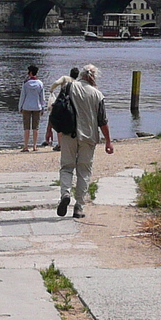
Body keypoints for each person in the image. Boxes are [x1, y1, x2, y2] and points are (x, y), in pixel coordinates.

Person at [53, 64, 113, 218]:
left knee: (66, 167)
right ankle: (79, 207)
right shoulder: (97, 95)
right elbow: (102, 121)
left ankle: (65, 193)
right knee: (84, 171)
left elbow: (57, 108)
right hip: (89, 137)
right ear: (94, 76)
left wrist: (51, 129)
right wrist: (108, 141)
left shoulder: (68, 87)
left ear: (81, 75)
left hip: (69, 134)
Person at [43, 67, 79, 149]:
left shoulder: (65, 78)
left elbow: (56, 83)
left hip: (62, 103)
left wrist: (51, 90)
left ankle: (60, 145)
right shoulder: (77, 83)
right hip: (72, 104)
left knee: (60, 123)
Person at [18, 65, 47, 152]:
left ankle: (26, 146)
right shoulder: (40, 83)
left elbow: (22, 96)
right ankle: (34, 146)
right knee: (36, 127)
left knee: (26, 127)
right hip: (37, 107)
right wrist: (43, 107)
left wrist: (20, 107)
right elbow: (42, 97)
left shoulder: (26, 83)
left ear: (30, 73)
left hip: (26, 106)